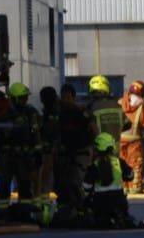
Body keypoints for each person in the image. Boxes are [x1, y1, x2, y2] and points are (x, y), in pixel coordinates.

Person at [0, 82, 43, 219]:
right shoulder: (2, 112)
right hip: (6, 155)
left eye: (25, 98)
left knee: (25, 185)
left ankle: (24, 212)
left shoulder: (30, 113)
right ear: (13, 98)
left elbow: (36, 133)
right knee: (4, 184)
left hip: (24, 155)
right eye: (21, 98)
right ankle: (2, 212)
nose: (24, 100)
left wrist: (38, 152)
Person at [54, 83, 90, 211]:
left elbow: (91, 130)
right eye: (64, 97)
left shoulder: (81, 113)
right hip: (63, 154)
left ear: (73, 98)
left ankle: (80, 207)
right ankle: (64, 206)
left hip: (80, 153)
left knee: (76, 182)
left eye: (68, 98)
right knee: (61, 183)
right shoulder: (58, 114)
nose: (66, 100)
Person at [83, 131, 130, 228]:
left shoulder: (93, 166)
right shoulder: (119, 162)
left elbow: (86, 187)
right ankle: (119, 217)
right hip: (119, 204)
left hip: (100, 206)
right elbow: (130, 176)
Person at [117, 80, 144, 192]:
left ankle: (123, 190)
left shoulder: (118, 104)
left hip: (118, 144)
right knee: (135, 168)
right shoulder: (142, 108)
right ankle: (134, 190)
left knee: (120, 169)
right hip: (134, 146)